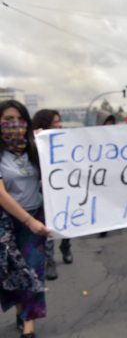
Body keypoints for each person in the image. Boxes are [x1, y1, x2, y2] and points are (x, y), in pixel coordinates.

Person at [0, 100, 52, 338]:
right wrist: (27, 221)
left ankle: (29, 326)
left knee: (32, 270)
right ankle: (22, 310)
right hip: (6, 223)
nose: (13, 125)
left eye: (18, 119)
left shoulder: (35, 148)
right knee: (11, 272)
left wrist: (47, 142)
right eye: (7, 120)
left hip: (34, 218)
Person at [31, 109, 73, 282]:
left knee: (66, 220)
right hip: (44, 190)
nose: (59, 125)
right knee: (48, 225)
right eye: (56, 122)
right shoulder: (34, 142)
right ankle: (50, 261)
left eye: (59, 121)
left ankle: (66, 245)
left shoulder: (64, 139)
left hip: (64, 188)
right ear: (46, 123)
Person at [96, 110, 115, 238]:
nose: (109, 125)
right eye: (107, 122)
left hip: (112, 175)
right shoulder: (93, 137)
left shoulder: (116, 136)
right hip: (99, 175)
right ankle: (103, 226)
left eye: (111, 123)